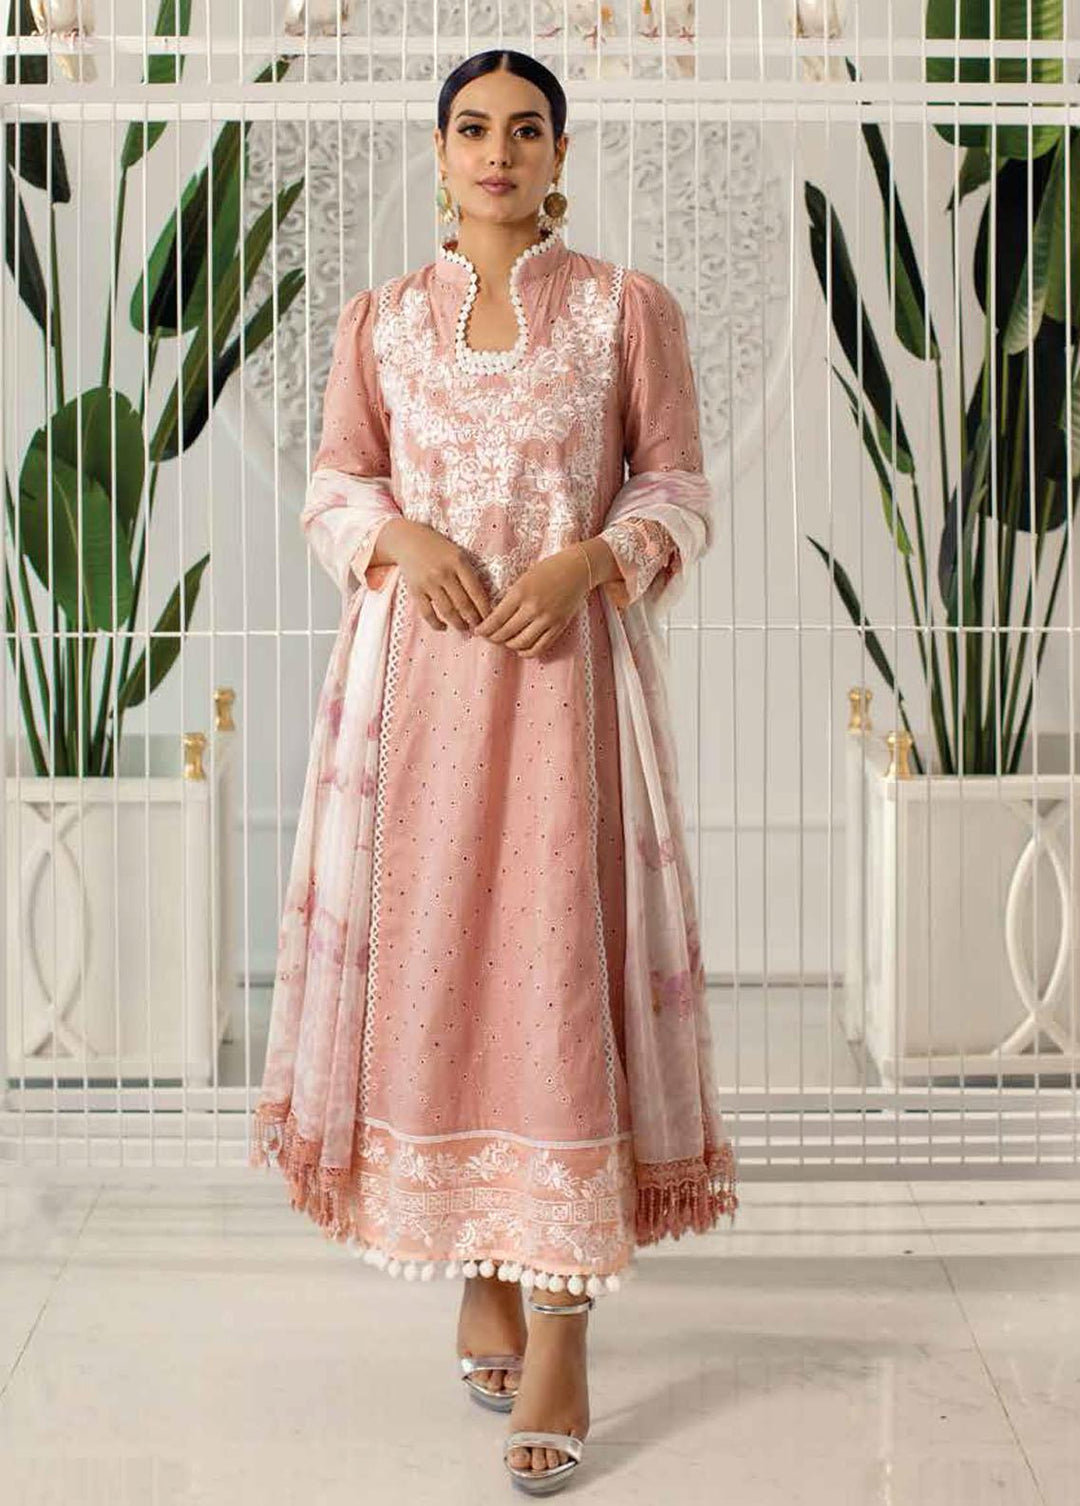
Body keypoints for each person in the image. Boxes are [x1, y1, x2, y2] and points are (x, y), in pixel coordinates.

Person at [250, 47, 739, 1495]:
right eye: (473, 128)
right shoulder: (382, 324)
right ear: (440, 149)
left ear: (559, 153)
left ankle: (563, 1325)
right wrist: (400, 539)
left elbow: (679, 487)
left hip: (567, 699)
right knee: (445, 977)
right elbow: (336, 486)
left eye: (527, 130)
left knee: (557, 984)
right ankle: (480, 1256)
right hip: (412, 702)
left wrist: (591, 559)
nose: (498, 152)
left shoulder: (624, 311)